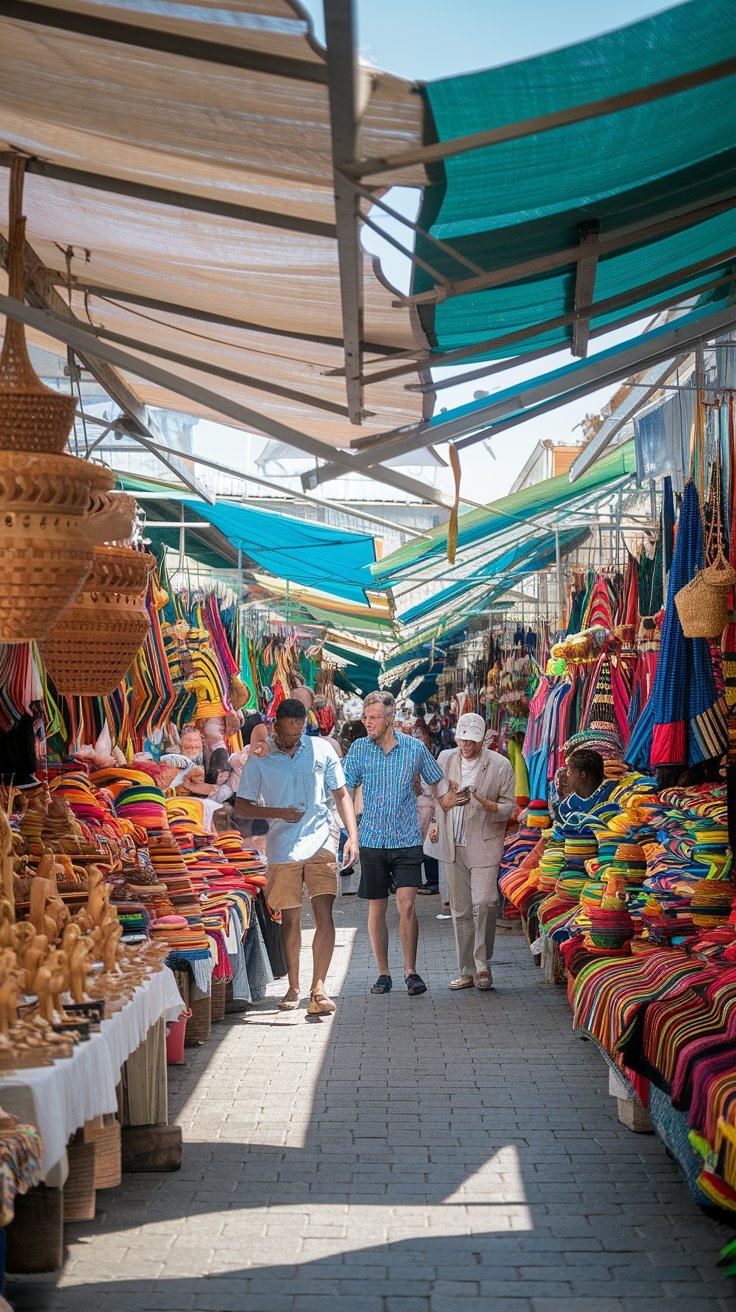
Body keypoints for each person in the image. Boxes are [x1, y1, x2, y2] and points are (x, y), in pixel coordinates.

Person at [235, 698, 358, 1015]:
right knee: (290, 919)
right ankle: (293, 986)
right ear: (275, 725)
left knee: (324, 911)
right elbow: (243, 806)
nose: (295, 736)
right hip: (282, 847)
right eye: (290, 731)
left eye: (300, 729)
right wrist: (278, 813)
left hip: (321, 841)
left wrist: (352, 837)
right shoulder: (260, 758)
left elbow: (341, 794)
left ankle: (319, 988)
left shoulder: (321, 749)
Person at [343, 690, 446, 997]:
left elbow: (436, 779)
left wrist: (439, 814)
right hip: (373, 839)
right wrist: (351, 834)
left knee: (408, 904)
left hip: (406, 839)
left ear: (390, 719)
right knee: (377, 907)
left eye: (374, 717)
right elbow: (343, 791)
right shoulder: (360, 749)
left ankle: (410, 971)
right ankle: (383, 972)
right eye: (365, 717)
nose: (368, 722)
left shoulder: (414, 748)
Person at [434, 712, 516, 991]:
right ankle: (467, 970)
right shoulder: (446, 759)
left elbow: (509, 807)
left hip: (485, 841)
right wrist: (446, 800)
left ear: (482, 740)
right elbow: (430, 792)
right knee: (461, 911)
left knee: (485, 901)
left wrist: (485, 803)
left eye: (471, 740)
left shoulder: (500, 765)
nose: (465, 745)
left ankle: (483, 963)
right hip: (453, 843)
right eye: (462, 739)